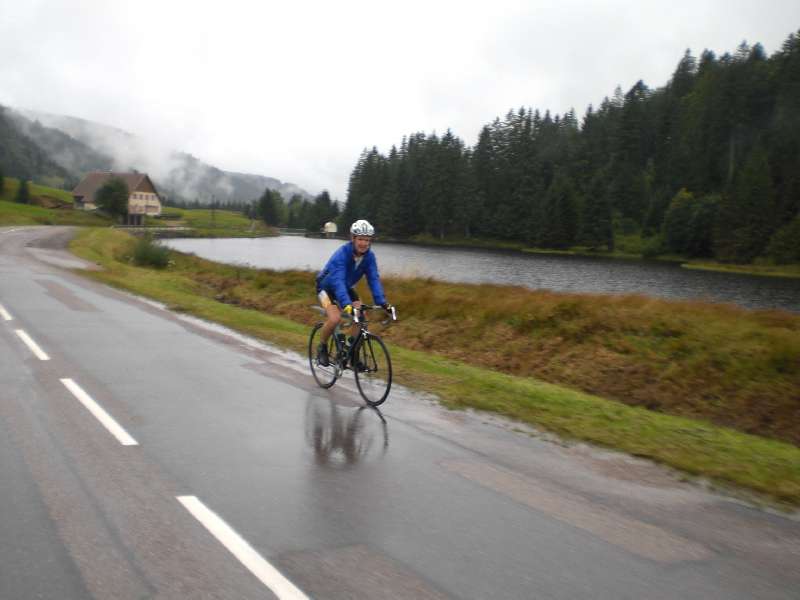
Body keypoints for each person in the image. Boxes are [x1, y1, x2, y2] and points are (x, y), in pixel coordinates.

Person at [315, 219, 392, 366]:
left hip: (345, 288)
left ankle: (351, 352)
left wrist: (382, 303)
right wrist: (346, 304)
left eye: (367, 240)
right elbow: (337, 281)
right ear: (353, 238)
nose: (364, 243)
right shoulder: (342, 254)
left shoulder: (369, 257)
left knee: (361, 316)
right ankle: (322, 348)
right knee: (335, 319)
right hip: (326, 288)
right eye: (361, 239)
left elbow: (373, 279)